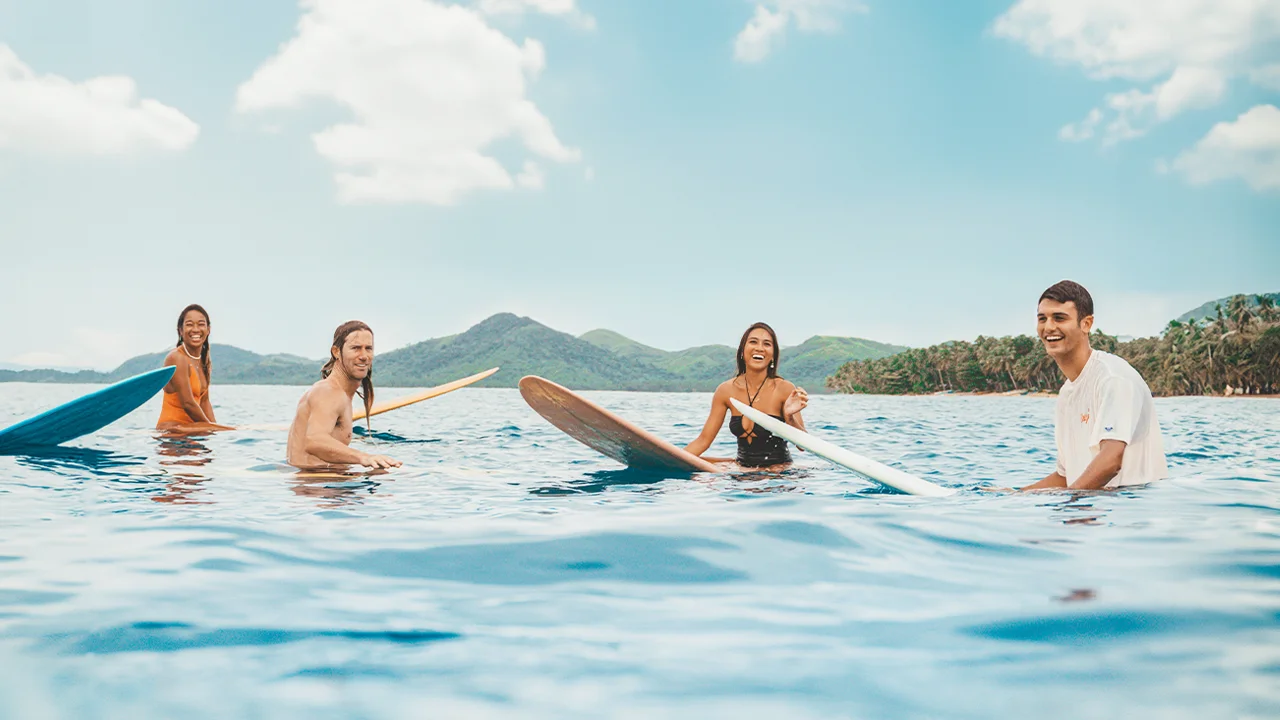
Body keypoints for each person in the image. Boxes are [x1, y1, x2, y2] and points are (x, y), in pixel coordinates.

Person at [1020, 281, 1168, 491]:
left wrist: (1070, 504)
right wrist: (1012, 497)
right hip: (1093, 509)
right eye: (1042, 318)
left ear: (1086, 324)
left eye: (1060, 318)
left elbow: (1111, 461)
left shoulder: (1113, 379)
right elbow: (1065, 478)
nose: (1049, 327)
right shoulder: (1067, 393)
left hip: (1131, 511)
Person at [684, 322, 809, 468]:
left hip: (777, 475)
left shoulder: (784, 389)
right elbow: (703, 441)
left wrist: (789, 417)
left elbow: (803, 446)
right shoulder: (725, 390)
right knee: (699, 465)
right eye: (753, 342)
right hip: (741, 471)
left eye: (767, 344)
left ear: (773, 355)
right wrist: (669, 459)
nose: (759, 348)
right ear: (742, 351)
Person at [286, 320, 401, 470]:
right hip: (315, 485)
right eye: (356, 348)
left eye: (368, 348)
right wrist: (364, 457)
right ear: (336, 352)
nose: (364, 356)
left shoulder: (339, 393)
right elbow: (314, 441)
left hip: (322, 483)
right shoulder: (328, 392)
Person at [157, 304, 233, 432]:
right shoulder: (176, 358)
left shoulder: (204, 361)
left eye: (201, 324)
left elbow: (204, 402)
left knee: (234, 430)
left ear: (208, 329)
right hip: (172, 432)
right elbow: (188, 404)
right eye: (189, 324)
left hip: (192, 432)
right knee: (235, 430)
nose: (196, 329)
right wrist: (212, 428)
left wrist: (214, 431)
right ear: (180, 330)